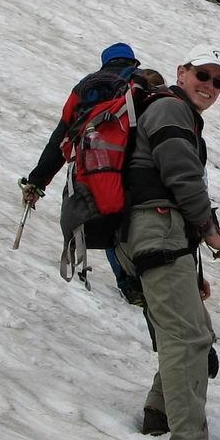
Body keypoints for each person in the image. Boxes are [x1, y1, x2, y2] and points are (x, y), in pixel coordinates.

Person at [117, 43, 220, 440]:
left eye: (219, 82)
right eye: (203, 75)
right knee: (187, 338)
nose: (210, 86)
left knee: (191, 331)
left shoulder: (175, 112)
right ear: (181, 72)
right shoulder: (170, 111)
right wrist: (209, 230)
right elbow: (180, 176)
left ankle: (159, 413)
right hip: (155, 232)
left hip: (157, 234)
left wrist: (196, 249)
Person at [21, 42, 144, 301]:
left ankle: (128, 285)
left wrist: (38, 180)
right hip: (129, 163)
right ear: (132, 62)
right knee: (127, 219)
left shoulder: (84, 88)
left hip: (88, 165)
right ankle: (138, 281)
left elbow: (60, 136)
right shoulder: (137, 83)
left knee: (107, 215)